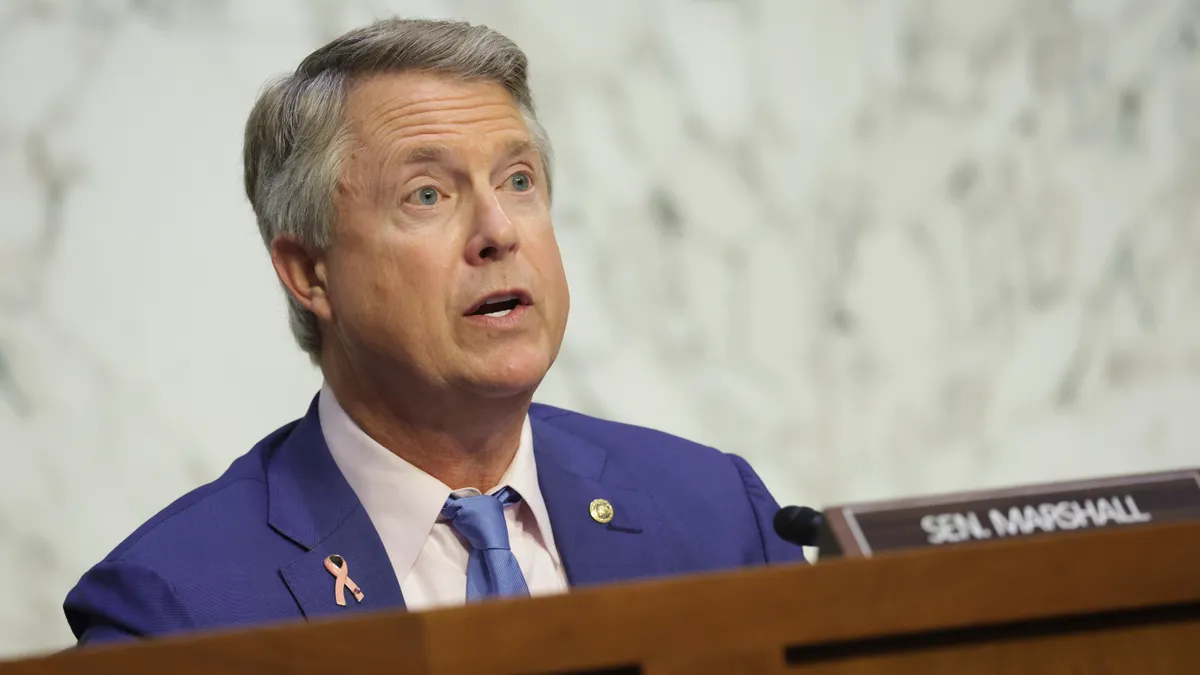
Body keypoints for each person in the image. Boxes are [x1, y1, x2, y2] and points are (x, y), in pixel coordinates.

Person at [63, 17, 803, 644]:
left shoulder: (718, 514)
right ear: (308, 271)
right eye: (428, 194)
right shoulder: (175, 608)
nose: (498, 230)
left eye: (518, 180)